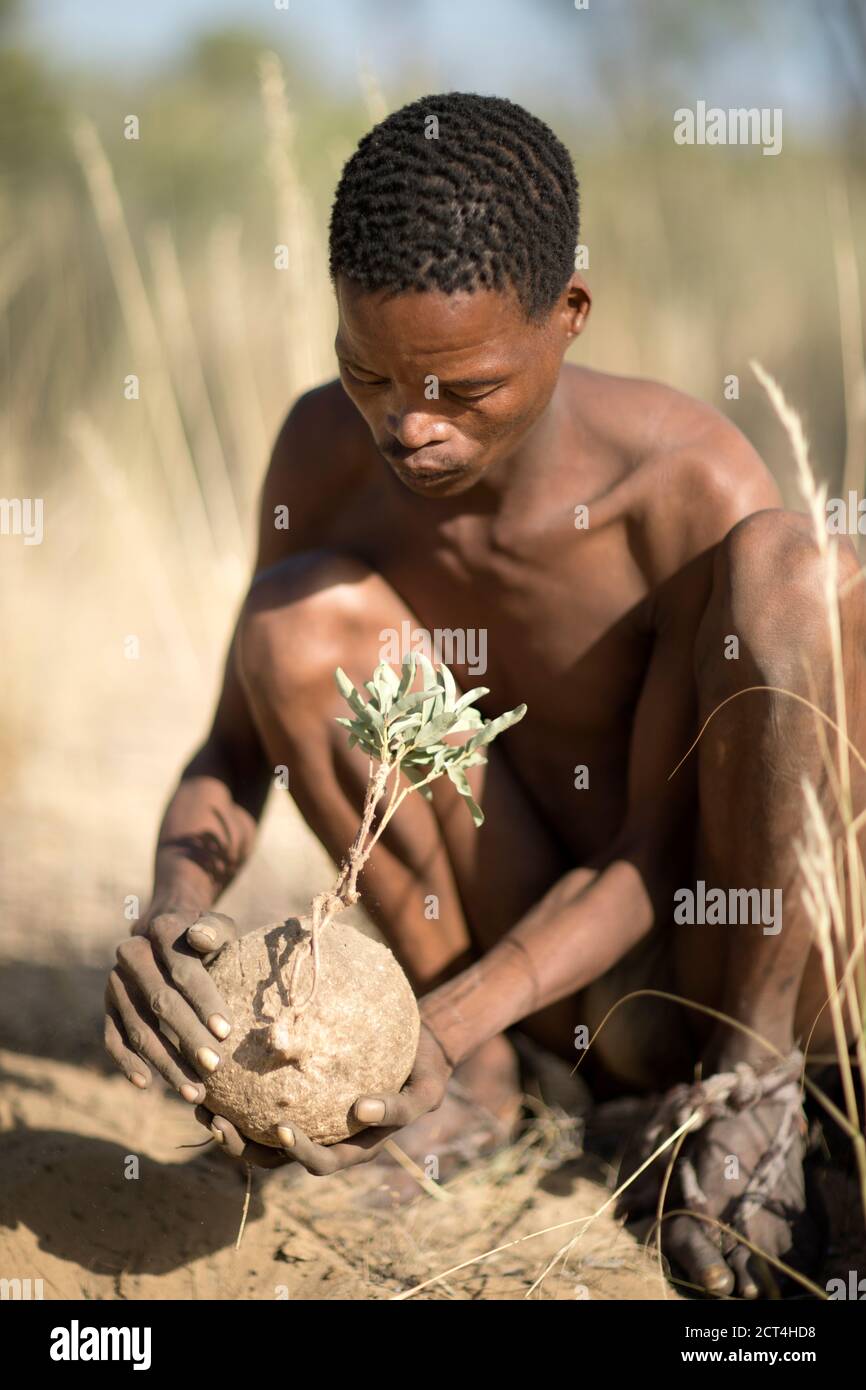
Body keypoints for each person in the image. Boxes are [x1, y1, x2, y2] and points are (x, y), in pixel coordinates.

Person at [104, 92, 864, 1298]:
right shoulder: (323, 453)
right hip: (529, 990)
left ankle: (758, 1094)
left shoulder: (679, 488)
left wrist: (440, 1016)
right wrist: (169, 902)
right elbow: (237, 746)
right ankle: (481, 1091)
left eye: (462, 389)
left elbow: (657, 860)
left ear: (567, 316)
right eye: (367, 372)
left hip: (705, 959)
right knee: (295, 618)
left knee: (801, 574)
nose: (407, 426)